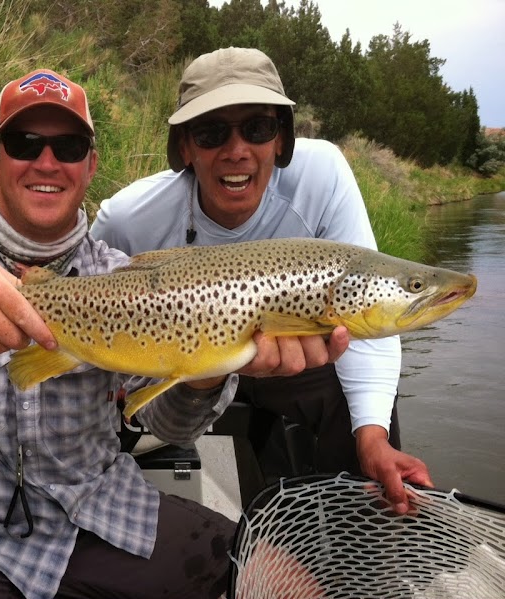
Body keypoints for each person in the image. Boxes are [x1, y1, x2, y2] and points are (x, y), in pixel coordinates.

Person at [0, 68, 344, 599]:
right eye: (24, 142)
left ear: (90, 165)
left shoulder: (125, 279)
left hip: (110, 515)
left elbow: (170, 427)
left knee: (288, 586)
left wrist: (212, 369)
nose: (47, 161)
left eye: (69, 147)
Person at [90, 47, 433, 515]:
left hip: (297, 364)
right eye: (211, 132)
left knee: (342, 367)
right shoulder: (127, 217)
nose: (236, 151)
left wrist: (372, 437)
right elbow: (83, 290)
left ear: (281, 139)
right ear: (185, 147)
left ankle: (355, 520)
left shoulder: (323, 176)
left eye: (257, 128)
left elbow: (368, 325)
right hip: (185, 367)